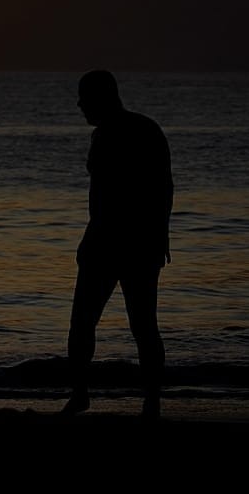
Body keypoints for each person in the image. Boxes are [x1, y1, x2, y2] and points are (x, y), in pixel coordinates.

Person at [62, 70, 173, 418]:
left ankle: (134, 398)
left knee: (95, 323)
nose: (79, 105)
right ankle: (144, 399)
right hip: (121, 241)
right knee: (133, 325)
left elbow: (159, 188)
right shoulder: (138, 129)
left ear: (101, 97)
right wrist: (160, 234)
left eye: (84, 98)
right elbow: (162, 189)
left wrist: (158, 234)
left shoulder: (133, 131)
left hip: (121, 242)